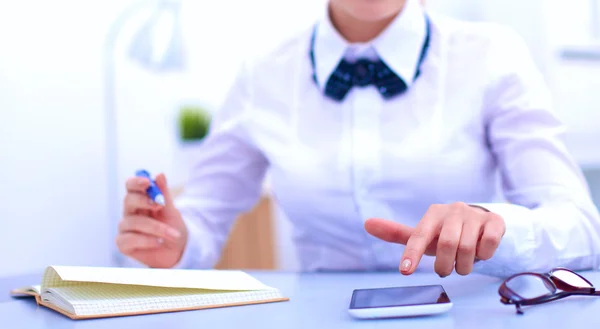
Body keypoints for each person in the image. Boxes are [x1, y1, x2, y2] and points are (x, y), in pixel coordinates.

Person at [116, 0, 600, 278]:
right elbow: (202, 219)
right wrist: (173, 242)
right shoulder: (263, 72)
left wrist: (494, 225)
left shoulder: (493, 54)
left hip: (467, 316)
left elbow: (582, 229)